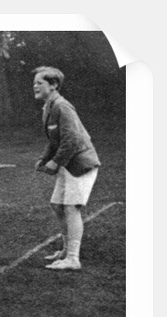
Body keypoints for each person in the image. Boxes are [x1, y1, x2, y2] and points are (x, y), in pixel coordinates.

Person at [32, 66, 101, 271]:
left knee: (71, 207)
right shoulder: (48, 107)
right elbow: (55, 141)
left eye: (39, 83)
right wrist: (44, 159)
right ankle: (65, 250)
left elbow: (72, 139)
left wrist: (55, 162)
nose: (34, 86)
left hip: (81, 164)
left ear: (53, 85)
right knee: (57, 205)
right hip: (68, 164)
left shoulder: (62, 106)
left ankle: (73, 258)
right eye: (34, 83)